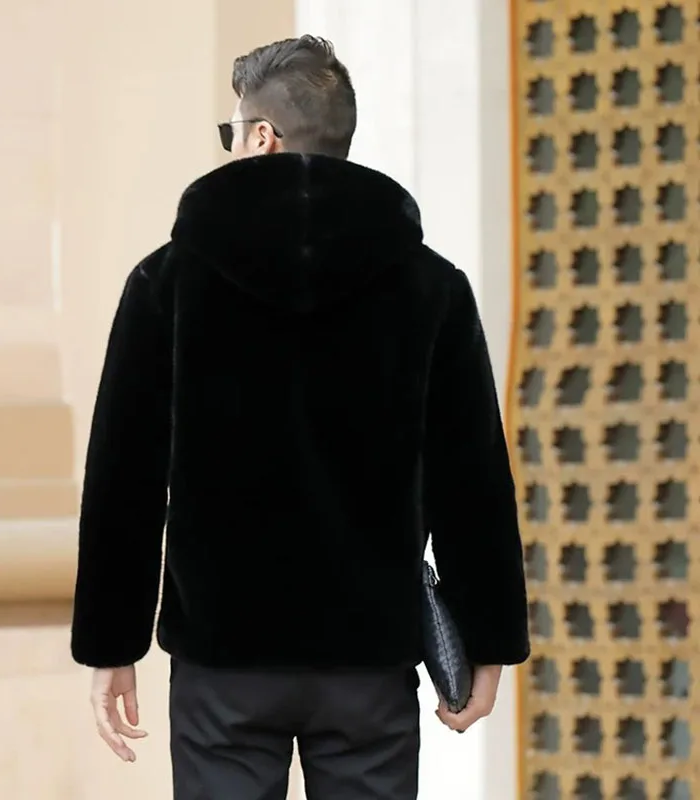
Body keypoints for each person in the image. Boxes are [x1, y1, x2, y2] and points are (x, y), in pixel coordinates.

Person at [71, 34, 529, 800]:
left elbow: (125, 475)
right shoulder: (431, 287)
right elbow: (471, 476)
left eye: (230, 131)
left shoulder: (167, 282)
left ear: (262, 136)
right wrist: (489, 638)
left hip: (223, 663)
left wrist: (110, 644)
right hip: (368, 663)